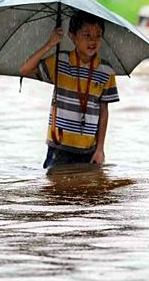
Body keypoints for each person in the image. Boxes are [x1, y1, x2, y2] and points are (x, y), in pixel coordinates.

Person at [20, 11, 118, 169]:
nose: (93, 40)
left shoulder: (106, 70)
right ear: (72, 37)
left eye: (98, 35)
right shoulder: (60, 61)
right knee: (56, 190)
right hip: (59, 147)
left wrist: (100, 149)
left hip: (88, 149)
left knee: (87, 191)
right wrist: (50, 44)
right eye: (86, 35)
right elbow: (25, 69)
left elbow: (104, 111)